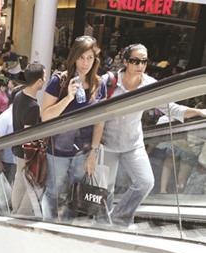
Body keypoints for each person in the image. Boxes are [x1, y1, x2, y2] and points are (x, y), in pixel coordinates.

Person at [98, 43, 206, 226]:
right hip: (107, 143)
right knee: (106, 188)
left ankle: (119, 217)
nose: (140, 65)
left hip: (133, 143)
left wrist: (198, 112)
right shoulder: (109, 82)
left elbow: (170, 108)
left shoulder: (149, 85)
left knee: (145, 182)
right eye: (135, 61)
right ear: (125, 61)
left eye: (144, 61)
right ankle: (103, 224)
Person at [40, 36, 106, 220]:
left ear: (95, 59)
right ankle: (50, 225)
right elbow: (45, 116)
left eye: (90, 58)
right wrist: (68, 97)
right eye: (81, 57)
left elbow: (99, 121)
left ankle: (67, 224)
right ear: (74, 57)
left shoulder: (98, 84)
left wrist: (93, 152)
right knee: (53, 190)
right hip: (58, 150)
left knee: (77, 192)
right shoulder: (59, 81)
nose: (85, 63)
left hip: (83, 151)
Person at [11, 63, 46, 217]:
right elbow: (29, 135)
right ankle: (22, 214)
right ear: (39, 81)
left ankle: (15, 212)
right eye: (44, 77)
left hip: (17, 149)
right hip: (26, 154)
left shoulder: (19, 95)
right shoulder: (32, 106)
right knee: (33, 185)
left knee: (19, 181)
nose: (45, 80)